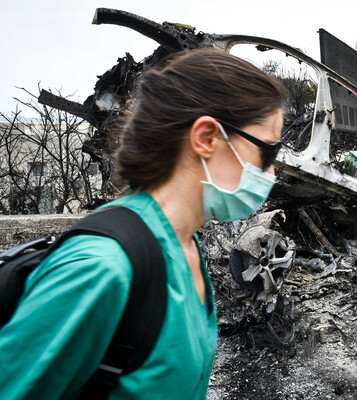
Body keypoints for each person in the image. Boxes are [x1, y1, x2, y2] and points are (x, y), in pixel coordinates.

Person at [0, 48, 288, 399]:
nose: (272, 171)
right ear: (207, 138)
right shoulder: (101, 268)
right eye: (267, 151)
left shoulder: (186, 248)